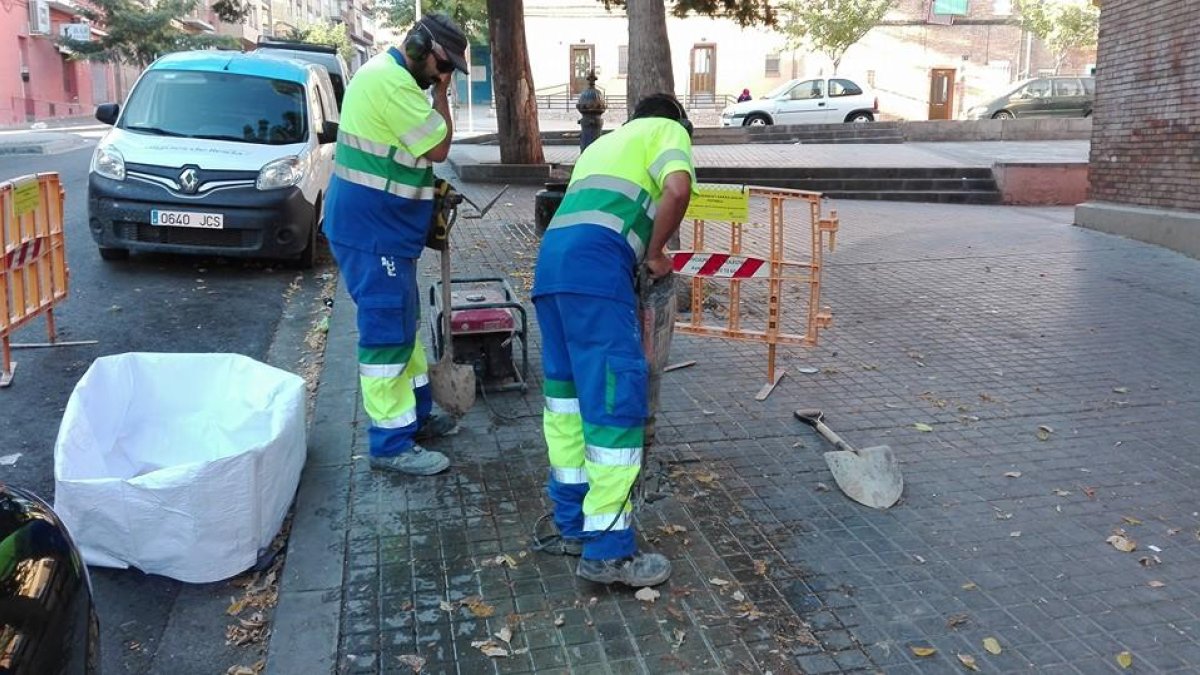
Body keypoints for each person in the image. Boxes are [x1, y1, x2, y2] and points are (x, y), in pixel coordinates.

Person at [532, 93, 697, 588]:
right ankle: (608, 550)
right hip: (597, 277)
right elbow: (677, 189)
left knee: (566, 406)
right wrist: (655, 251)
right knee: (612, 403)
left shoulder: (602, 145)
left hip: (552, 270)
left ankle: (573, 527)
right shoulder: (665, 130)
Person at [322, 13, 470, 476]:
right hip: (373, 232)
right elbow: (440, 147)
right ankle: (389, 444)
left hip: (384, 229)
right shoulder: (393, 85)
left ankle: (414, 417)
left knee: (405, 329)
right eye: (442, 66)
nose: (442, 75)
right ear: (422, 45)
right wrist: (442, 94)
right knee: (387, 337)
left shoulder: (389, 78)